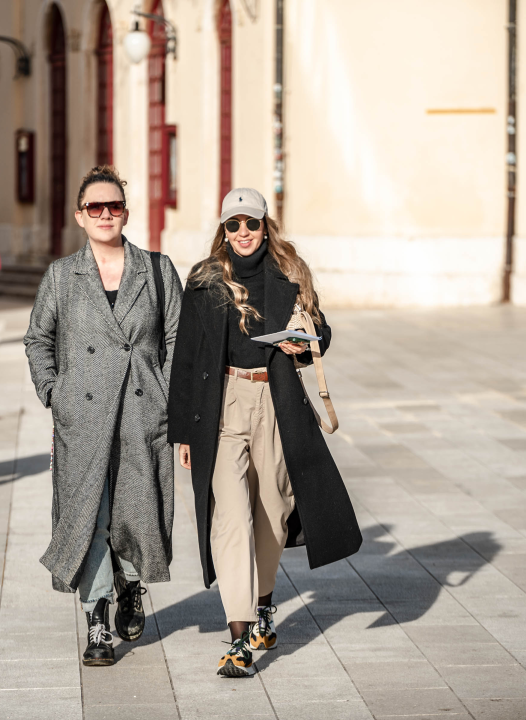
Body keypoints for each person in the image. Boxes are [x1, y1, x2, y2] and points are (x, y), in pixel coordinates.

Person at [168, 188, 363, 677]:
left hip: (276, 404)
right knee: (230, 518)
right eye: (233, 225)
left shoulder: (289, 274)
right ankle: (240, 635)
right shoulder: (206, 281)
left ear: (264, 223)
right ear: (223, 229)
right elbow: (187, 357)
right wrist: (183, 432)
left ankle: (263, 601)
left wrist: (304, 342)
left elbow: (323, 333)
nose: (242, 233)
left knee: (273, 515)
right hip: (223, 406)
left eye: (250, 223)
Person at [24, 166, 182, 667]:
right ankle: (96, 620)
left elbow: (177, 341)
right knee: (89, 519)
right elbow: (38, 340)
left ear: (126, 213)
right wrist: (55, 392)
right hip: (84, 419)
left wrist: (172, 403)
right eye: (96, 207)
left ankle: (131, 585)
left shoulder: (157, 269)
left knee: (138, 513)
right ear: (80, 216)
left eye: (114, 206)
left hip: (142, 413)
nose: (106, 214)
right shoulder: (61, 275)